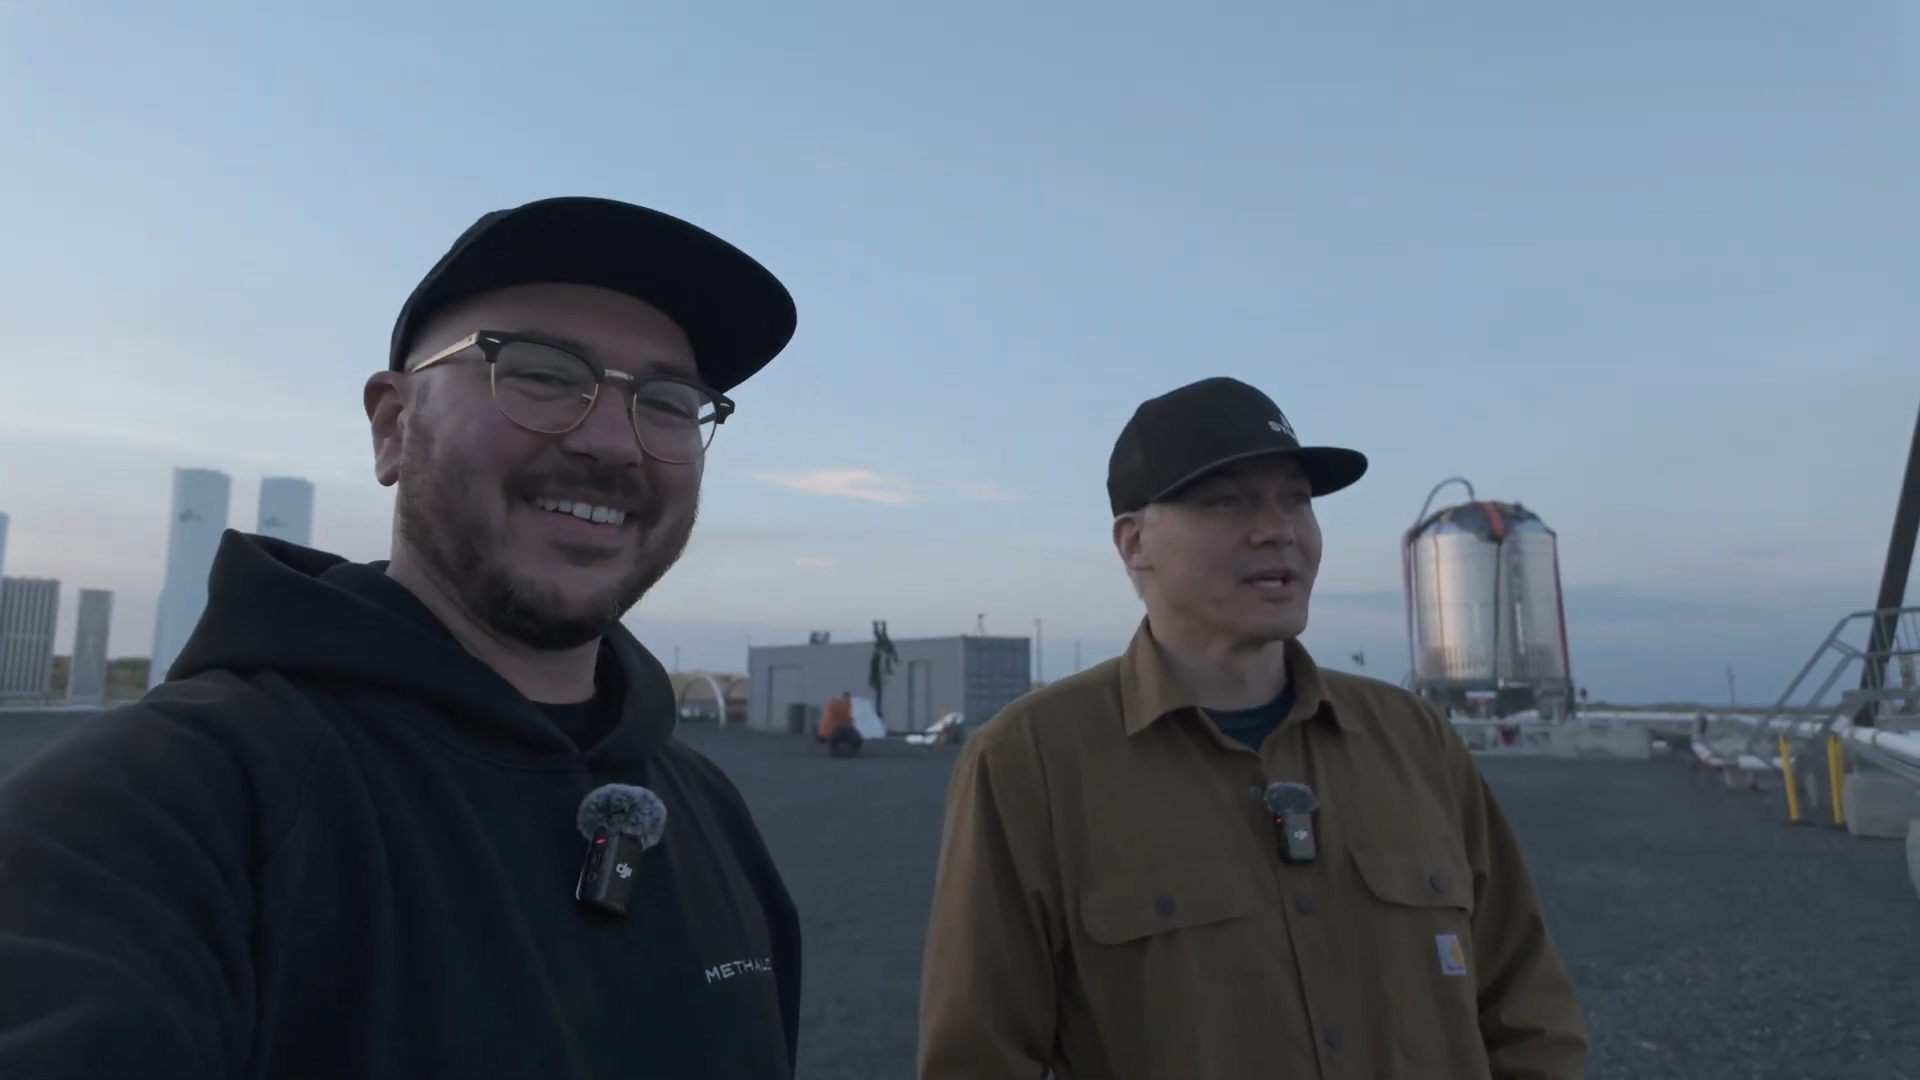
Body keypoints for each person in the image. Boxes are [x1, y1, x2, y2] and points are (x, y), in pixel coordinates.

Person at [0, 197, 805, 1078]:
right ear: (393, 426)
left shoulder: (707, 808)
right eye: (541, 373)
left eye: (671, 401)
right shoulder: (159, 809)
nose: (615, 442)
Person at [918, 377, 1588, 1080]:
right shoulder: (1032, 761)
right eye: (1226, 501)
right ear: (1135, 542)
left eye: (1296, 499)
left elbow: (1527, 1008)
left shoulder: (1414, 740)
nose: (1279, 529)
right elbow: (979, 1056)